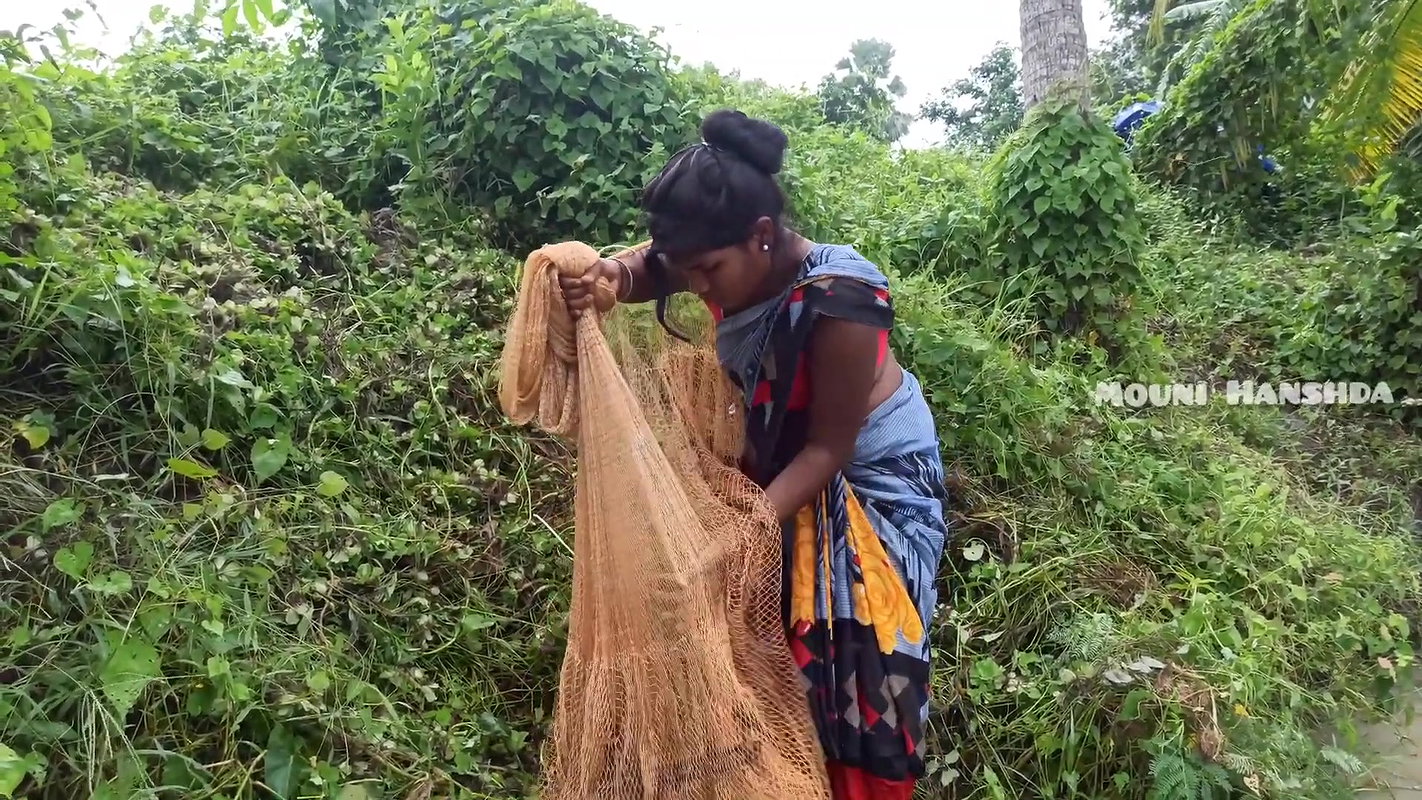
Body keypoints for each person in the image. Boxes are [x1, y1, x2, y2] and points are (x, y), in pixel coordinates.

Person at [559, 108, 950, 800]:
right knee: (748, 624)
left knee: (847, 657)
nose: (698, 287)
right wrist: (611, 277)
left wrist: (740, 531)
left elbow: (827, 450)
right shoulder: (716, 253)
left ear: (762, 236)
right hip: (786, 463)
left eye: (708, 270)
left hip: (868, 481)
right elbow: (652, 267)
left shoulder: (839, 301)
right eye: (688, 271)